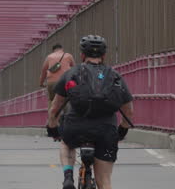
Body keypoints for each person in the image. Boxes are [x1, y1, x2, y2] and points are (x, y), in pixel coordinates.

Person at [46, 35, 134, 189]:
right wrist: (122, 130)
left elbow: (55, 108)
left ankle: (68, 177)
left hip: (75, 128)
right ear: (104, 56)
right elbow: (129, 111)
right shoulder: (115, 76)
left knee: (66, 143)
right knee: (105, 180)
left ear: (82, 55)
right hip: (105, 131)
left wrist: (52, 126)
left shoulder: (71, 74)